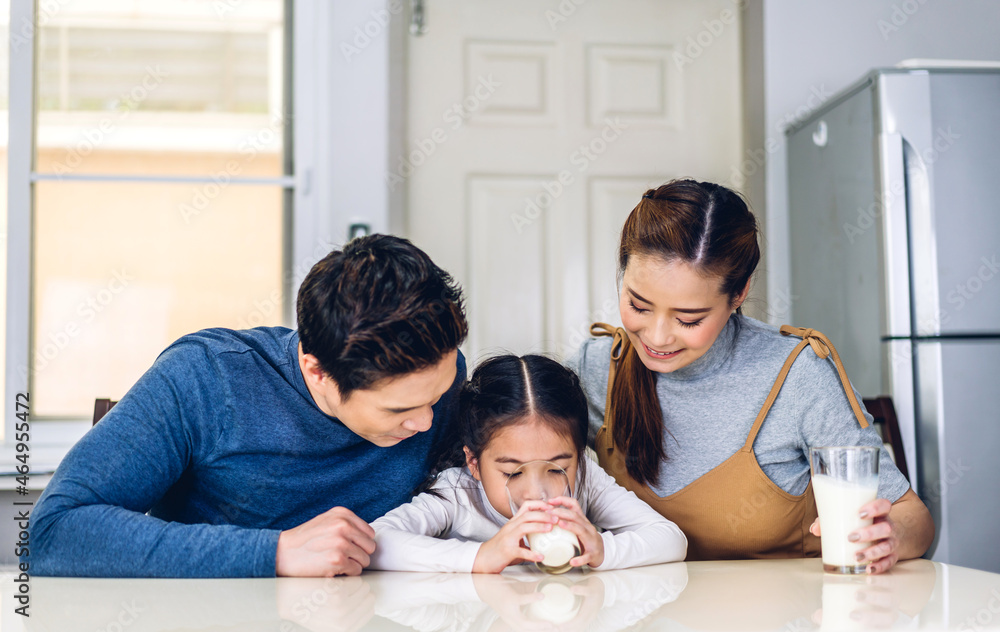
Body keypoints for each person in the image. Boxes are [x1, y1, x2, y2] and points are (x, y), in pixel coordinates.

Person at [28, 234, 469, 578]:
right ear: (317, 371)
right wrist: (275, 552)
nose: (428, 421)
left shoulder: (436, 374)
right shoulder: (207, 378)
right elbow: (53, 533)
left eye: (436, 396)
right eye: (397, 411)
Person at [571, 179, 934, 573]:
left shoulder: (798, 375)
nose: (657, 337)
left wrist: (889, 537)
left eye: (689, 319)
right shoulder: (597, 368)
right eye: (639, 306)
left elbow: (912, 516)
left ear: (739, 294)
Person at [369, 354, 687, 573]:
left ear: (579, 453)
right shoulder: (458, 492)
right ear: (474, 463)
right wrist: (481, 556)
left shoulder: (588, 480)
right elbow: (376, 541)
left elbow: (671, 539)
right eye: (512, 472)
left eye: (556, 468)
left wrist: (602, 549)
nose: (536, 493)